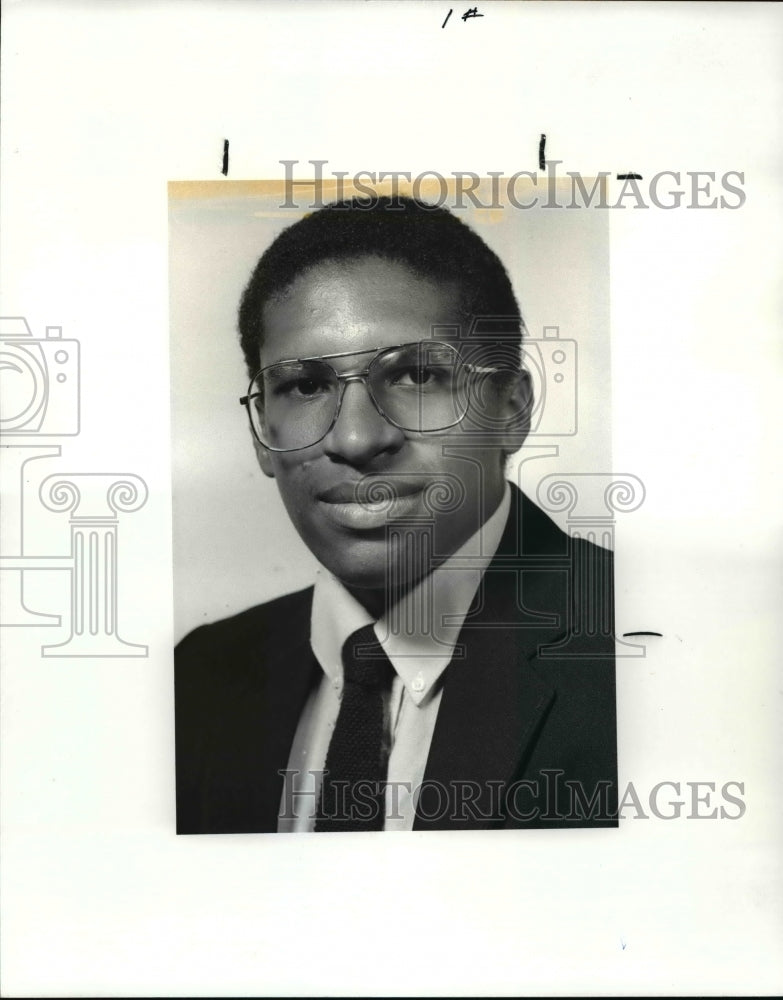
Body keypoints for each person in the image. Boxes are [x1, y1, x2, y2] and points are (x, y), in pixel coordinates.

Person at [175, 195, 617, 834]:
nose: (356, 441)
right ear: (260, 431)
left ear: (513, 409)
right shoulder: (198, 678)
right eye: (305, 386)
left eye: (415, 376)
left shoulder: (639, 646)